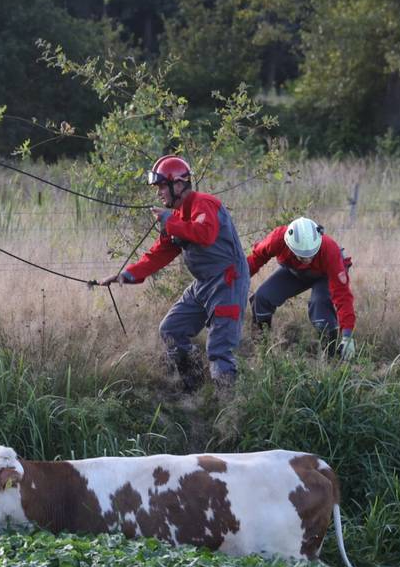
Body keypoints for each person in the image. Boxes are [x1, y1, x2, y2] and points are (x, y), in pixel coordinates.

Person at [98, 155, 250, 391]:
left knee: (220, 352)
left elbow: (204, 233)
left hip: (227, 283)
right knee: (171, 330)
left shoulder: (205, 203)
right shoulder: (176, 218)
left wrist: (169, 221)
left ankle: (229, 413)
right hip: (203, 285)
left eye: (161, 186)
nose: (158, 192)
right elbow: (160, 253)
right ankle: (195, 389)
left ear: (178, 184)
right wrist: (125, 275)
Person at [245, 217, 356, 360]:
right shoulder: (278, 239)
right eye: (303, 256)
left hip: (324, 276)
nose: (308, 259)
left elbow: (343, 295)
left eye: (311, 254)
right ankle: (261, 354)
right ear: (290, 246)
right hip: (295, 273)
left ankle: (331, 360)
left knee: (320, 307)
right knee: (261, 298)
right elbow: (255, 259)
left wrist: (347, 336)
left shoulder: (330, 250)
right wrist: (233, 283)